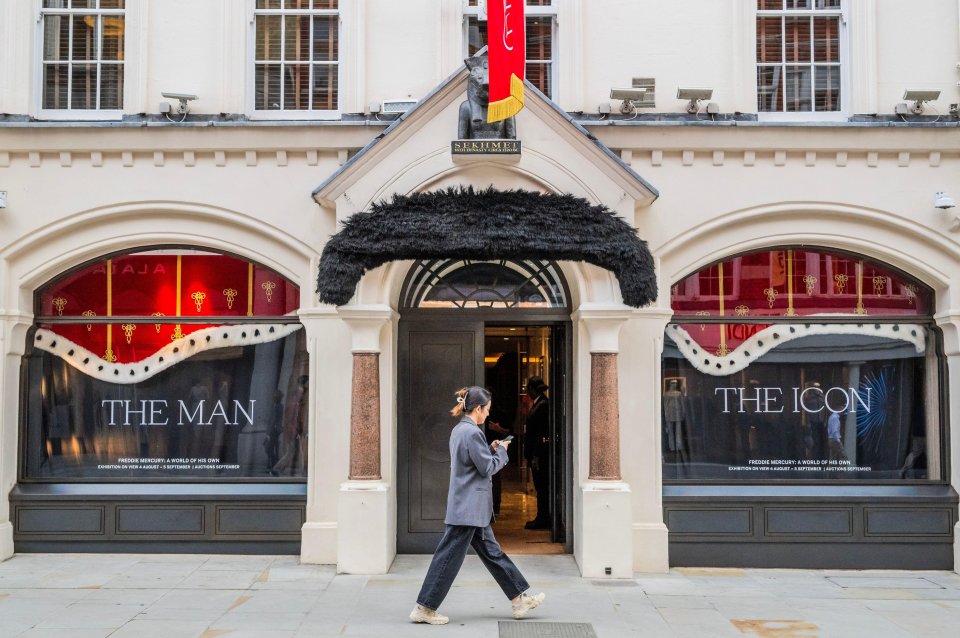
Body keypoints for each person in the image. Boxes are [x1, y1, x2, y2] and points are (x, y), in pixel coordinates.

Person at [410, 386, 546, 625]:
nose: (488, 415)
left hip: (469, 507)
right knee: (448, 558)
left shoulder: (460, 430)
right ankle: (424, 606)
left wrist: (490, 449)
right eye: (487, 410)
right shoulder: (472, 433)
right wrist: (502, 452)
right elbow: (487, 468)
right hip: (469, 508)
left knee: (493, 553)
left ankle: (519, 598)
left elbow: (473, 462)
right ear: (477, 408)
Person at [523, 377, 551, 530]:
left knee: (541, 486)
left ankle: (543, 518)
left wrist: (535, 455)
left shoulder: (542, 406)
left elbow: (540, 433)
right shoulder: (539, 404)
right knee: (540, 486)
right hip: (536, 453)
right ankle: (542, 517)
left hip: (539, 454)